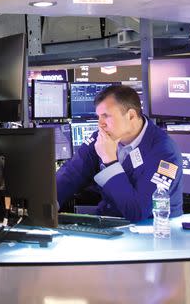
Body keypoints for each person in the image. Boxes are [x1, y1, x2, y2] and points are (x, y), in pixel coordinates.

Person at [56, 84, 183, 222]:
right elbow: (72, 173)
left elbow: (137, 211)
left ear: (131, 116)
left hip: (152, 231)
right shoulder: (101, 138)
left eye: (106, 116)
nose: (100, 124)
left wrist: (110, 161)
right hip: (109, 223)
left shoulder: (164, 152)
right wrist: (46, 202)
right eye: (98, 117)